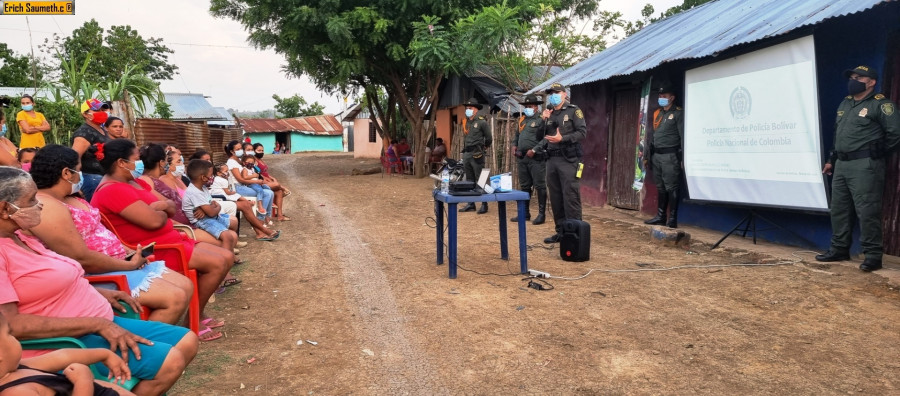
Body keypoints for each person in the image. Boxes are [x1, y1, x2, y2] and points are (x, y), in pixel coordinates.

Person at [0, 166, 198, 394]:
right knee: (170, 361)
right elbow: (11, 325)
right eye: (32, 199)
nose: (40, 204)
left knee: (187, 341)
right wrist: (97, 324)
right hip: (65, 340)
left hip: (95, 323)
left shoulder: (20, 237)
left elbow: (53, 282)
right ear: (5, 208)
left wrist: (102, 293)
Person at [27, 144, 193, 325]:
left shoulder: (70, 196)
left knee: (185, 285)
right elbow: (81, 257)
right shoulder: (47, 206)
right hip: (101, 273)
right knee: (174, 298)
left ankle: (161, 341)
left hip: (121, 263)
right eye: (79, 170)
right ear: (66, 173)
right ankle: (145, 347)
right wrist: (127, 264)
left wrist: (131, 254)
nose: (81, 176)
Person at [90, 139, 233, 341]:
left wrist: (162, 207)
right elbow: (153, 222)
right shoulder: (112, 190)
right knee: (219, 262)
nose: (140, 164)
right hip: (155, 249)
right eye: (136, 159)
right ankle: (194, 320)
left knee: (225, 256)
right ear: (121, 163)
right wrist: (161, 208)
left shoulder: (134, 182)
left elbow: (172, 207)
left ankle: (198, 314)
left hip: (172, 240)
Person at [816, 65, 900, 272]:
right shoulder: (845, 103)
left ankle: (872, 255)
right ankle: (839, 249)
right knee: (839, 209)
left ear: (871, 82)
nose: (853, 80)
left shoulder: (881, 105)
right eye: (852, 77)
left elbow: (896, 133)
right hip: (842, 164)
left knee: (867, 210)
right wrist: (831, 159)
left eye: (859, 77)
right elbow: (839, 135)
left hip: (865, 165)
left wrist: (879, 152)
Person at [0, 313, 134, 395]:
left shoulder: (17, 368)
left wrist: (104, 354)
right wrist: (83, 381)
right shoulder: (16, 393)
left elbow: (62, 356)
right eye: (9, 333)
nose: (15, 339)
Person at [537, 83, 586, 244]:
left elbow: (582, 133)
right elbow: (539, 135)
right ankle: (561, 232)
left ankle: (575, 235)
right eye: (551, 93)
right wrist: (543, 119)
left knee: (570, 197)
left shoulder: (573, 110)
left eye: (557, 92)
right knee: (556, 198)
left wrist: (562, 139)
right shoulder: (548, 112)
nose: (553, 95)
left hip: (568, 160)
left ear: (564, 94)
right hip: (551, 160)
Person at [643, 84, 684, 228]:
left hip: (670, 156)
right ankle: (661, 216)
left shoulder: (678, 113)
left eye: (664, 96)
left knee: (671, 187)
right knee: (660, 187)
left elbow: (683, 136)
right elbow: (653, 136)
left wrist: (683, 158)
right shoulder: (658, 114)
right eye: (660, 96)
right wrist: (648, 155)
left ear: (672, 98)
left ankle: (672, 219)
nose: (661, 98)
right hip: (657, 156)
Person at [183, 160, 242, 255]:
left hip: (208, 217)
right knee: (227, 235)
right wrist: (214, 207)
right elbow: (212, 211)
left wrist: (213, 207)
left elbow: (213, 204)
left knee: (234, 223)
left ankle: (231, 249)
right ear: (203, 177)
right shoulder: (194, 192)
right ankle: (226, 258)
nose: (212, 178)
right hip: (202, 221)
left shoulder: (202, 188)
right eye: (211, 175)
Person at [210, 163, 280, 240]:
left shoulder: (224, 179)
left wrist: (244, 199)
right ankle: (263, 231)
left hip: (226, 198)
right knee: (246, 205)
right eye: (226, 171)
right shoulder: (220, 180)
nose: (228, 172)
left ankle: (261, 232)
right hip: (221, 199)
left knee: (246, 205)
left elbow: (231, 193)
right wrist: (244, 199)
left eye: (228, 170)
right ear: (218, 173)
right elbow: (229, 193)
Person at [512, 94, 547, 224]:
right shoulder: (522, 120)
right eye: (526, 107)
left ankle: (541, 214)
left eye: (530, 106)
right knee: (525, 185)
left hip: (536, 158)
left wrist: (534, 150)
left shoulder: (541, 120)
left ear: (536, 108)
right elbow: (516, 135)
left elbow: (546, 138)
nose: (528, 109)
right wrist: (514, 145)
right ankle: (524, 213)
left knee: (539, 185)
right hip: (522, 158)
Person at [71, 98, 112, 202]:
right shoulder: (84, 133)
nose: (101, 113)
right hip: (91, 179)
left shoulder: (101, 129)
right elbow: (74, 157)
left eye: (103, 110)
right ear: (85, 114)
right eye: (97, 110)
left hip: (101, 177)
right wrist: (75, 182)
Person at [225, 140, 274, 224]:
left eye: (241, 148)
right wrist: (256, 180)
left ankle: (266, 216)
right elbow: (240, 179)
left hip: (245, 186)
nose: (241, 150)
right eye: (238, 149)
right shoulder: (232, 162)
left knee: (270, 192)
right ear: (232, 151)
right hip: (238, 187)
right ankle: (260, 219)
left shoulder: (239, 160)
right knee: (267, 193)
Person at [459, 98, 492, 214]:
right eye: (467, 108)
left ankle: (484, 204)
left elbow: (489, 138)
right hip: (467, 153)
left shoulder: (482, 122)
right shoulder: (466, 122)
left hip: (477, 153)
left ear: (476, 110)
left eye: (470, 108)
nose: (468, 110)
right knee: (469, 179)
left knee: (481, 178)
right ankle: (471, 203)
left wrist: (483, 148)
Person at [252, 143, 292, 221]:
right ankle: (284, 189)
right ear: (254, 151)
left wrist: (272, 178)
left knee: (279, 191)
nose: (261, 152)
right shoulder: (253, 160)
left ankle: (280, 216)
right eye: (259, 150)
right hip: (260, 181)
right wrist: (266, 179)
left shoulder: (260, 159)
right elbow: (258, 173)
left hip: (266, 179)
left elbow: (265, 172)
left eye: (262, 150)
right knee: (278, 185)